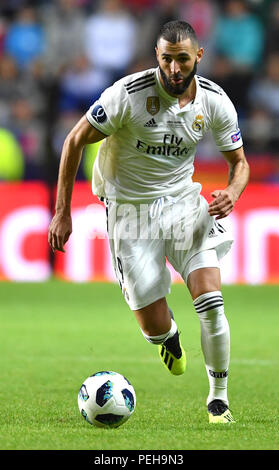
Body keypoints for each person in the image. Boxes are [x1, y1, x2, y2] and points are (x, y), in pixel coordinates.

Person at [48, 20, 250, 424]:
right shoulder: (127, 95)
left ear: (198, 57)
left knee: (210, 301)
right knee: (154, 323)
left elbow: (240, 164)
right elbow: (73, 140)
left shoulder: (214, 101)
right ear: (156, 58)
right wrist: (62, 210)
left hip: (183, 206)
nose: (174, 69)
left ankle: (218, 399)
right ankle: (167, 338)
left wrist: (233, 191)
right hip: (129, 212)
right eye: (166, 59)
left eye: (182, 59)